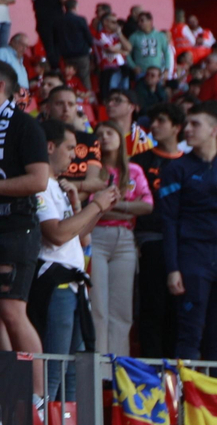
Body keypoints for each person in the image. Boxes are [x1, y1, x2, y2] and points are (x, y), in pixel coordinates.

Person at [0, 56, 51, 394]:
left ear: (0, 86)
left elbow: (39, 180)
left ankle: (38, 397)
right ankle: (4, 393)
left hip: (16, 228)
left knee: (10, 309)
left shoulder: (24, 125)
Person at [31, 119, 118, 399]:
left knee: (72, 374)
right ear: (50, 147)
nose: (74, 155)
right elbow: (56, 235)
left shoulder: (59, 186)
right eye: (70, 148)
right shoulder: (41, 185)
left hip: (74, 284)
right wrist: (96, 204)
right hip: (56, 281)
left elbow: (80, 237)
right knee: (55, 370)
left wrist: (90, 208)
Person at [161, 102, 217, 358]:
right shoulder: (176, 169)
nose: (188, 129)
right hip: (192, 256)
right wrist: (173, 268)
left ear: (214, 130)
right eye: (187, 124)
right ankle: (186, 398)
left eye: (196, 124)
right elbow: (169, 220)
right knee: (190, 332)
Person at [89, 122, 150, 355]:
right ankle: (100, 371)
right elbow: (92, 207)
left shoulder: (134, 170)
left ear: (120, 138)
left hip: (125, 239)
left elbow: (148, 206)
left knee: (122, 309)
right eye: (100, 134)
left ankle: (118, 369)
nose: (104, 137)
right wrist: (127, 208)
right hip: (96, 235)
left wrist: (109, 207)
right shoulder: (93, 169)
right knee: (98, 307)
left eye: (110, 133)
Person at [133, 103, 186, 358]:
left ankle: (176, 378)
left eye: (161, 121)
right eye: (152, 120)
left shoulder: (190, 164)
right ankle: (152, 371)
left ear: (177, 127)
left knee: (179, 310)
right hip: (150, 241)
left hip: (184, 245)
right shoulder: (139, 161)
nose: (154, 126)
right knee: (152, 309)